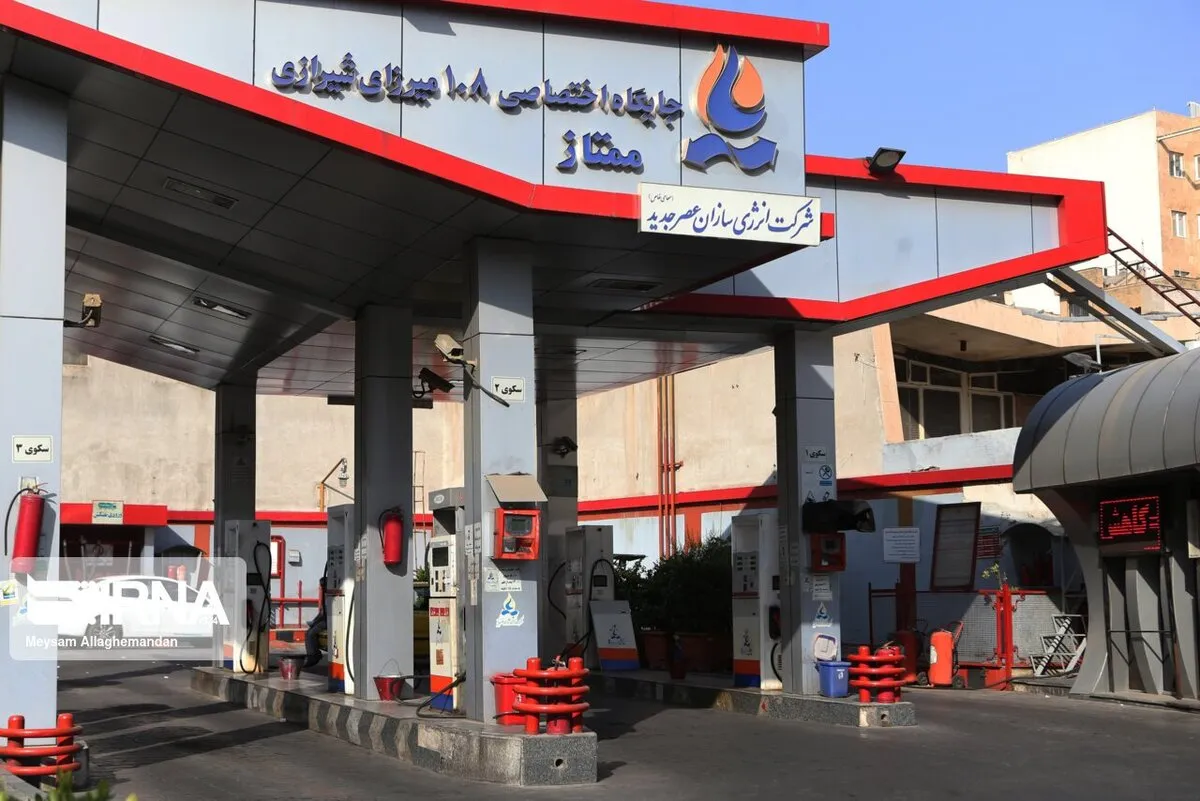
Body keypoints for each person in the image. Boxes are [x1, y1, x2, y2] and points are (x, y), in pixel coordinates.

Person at [304, 574, 328, 668]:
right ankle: (313, 653)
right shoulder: (327, 596)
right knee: (309, 632)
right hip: (326, 620)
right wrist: (314, 622)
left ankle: (314, 655)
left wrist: (315, 622)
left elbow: (324, 614)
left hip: (328, 621)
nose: (322, 588)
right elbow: (322, 612)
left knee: (310, 634)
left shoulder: (330, 596)